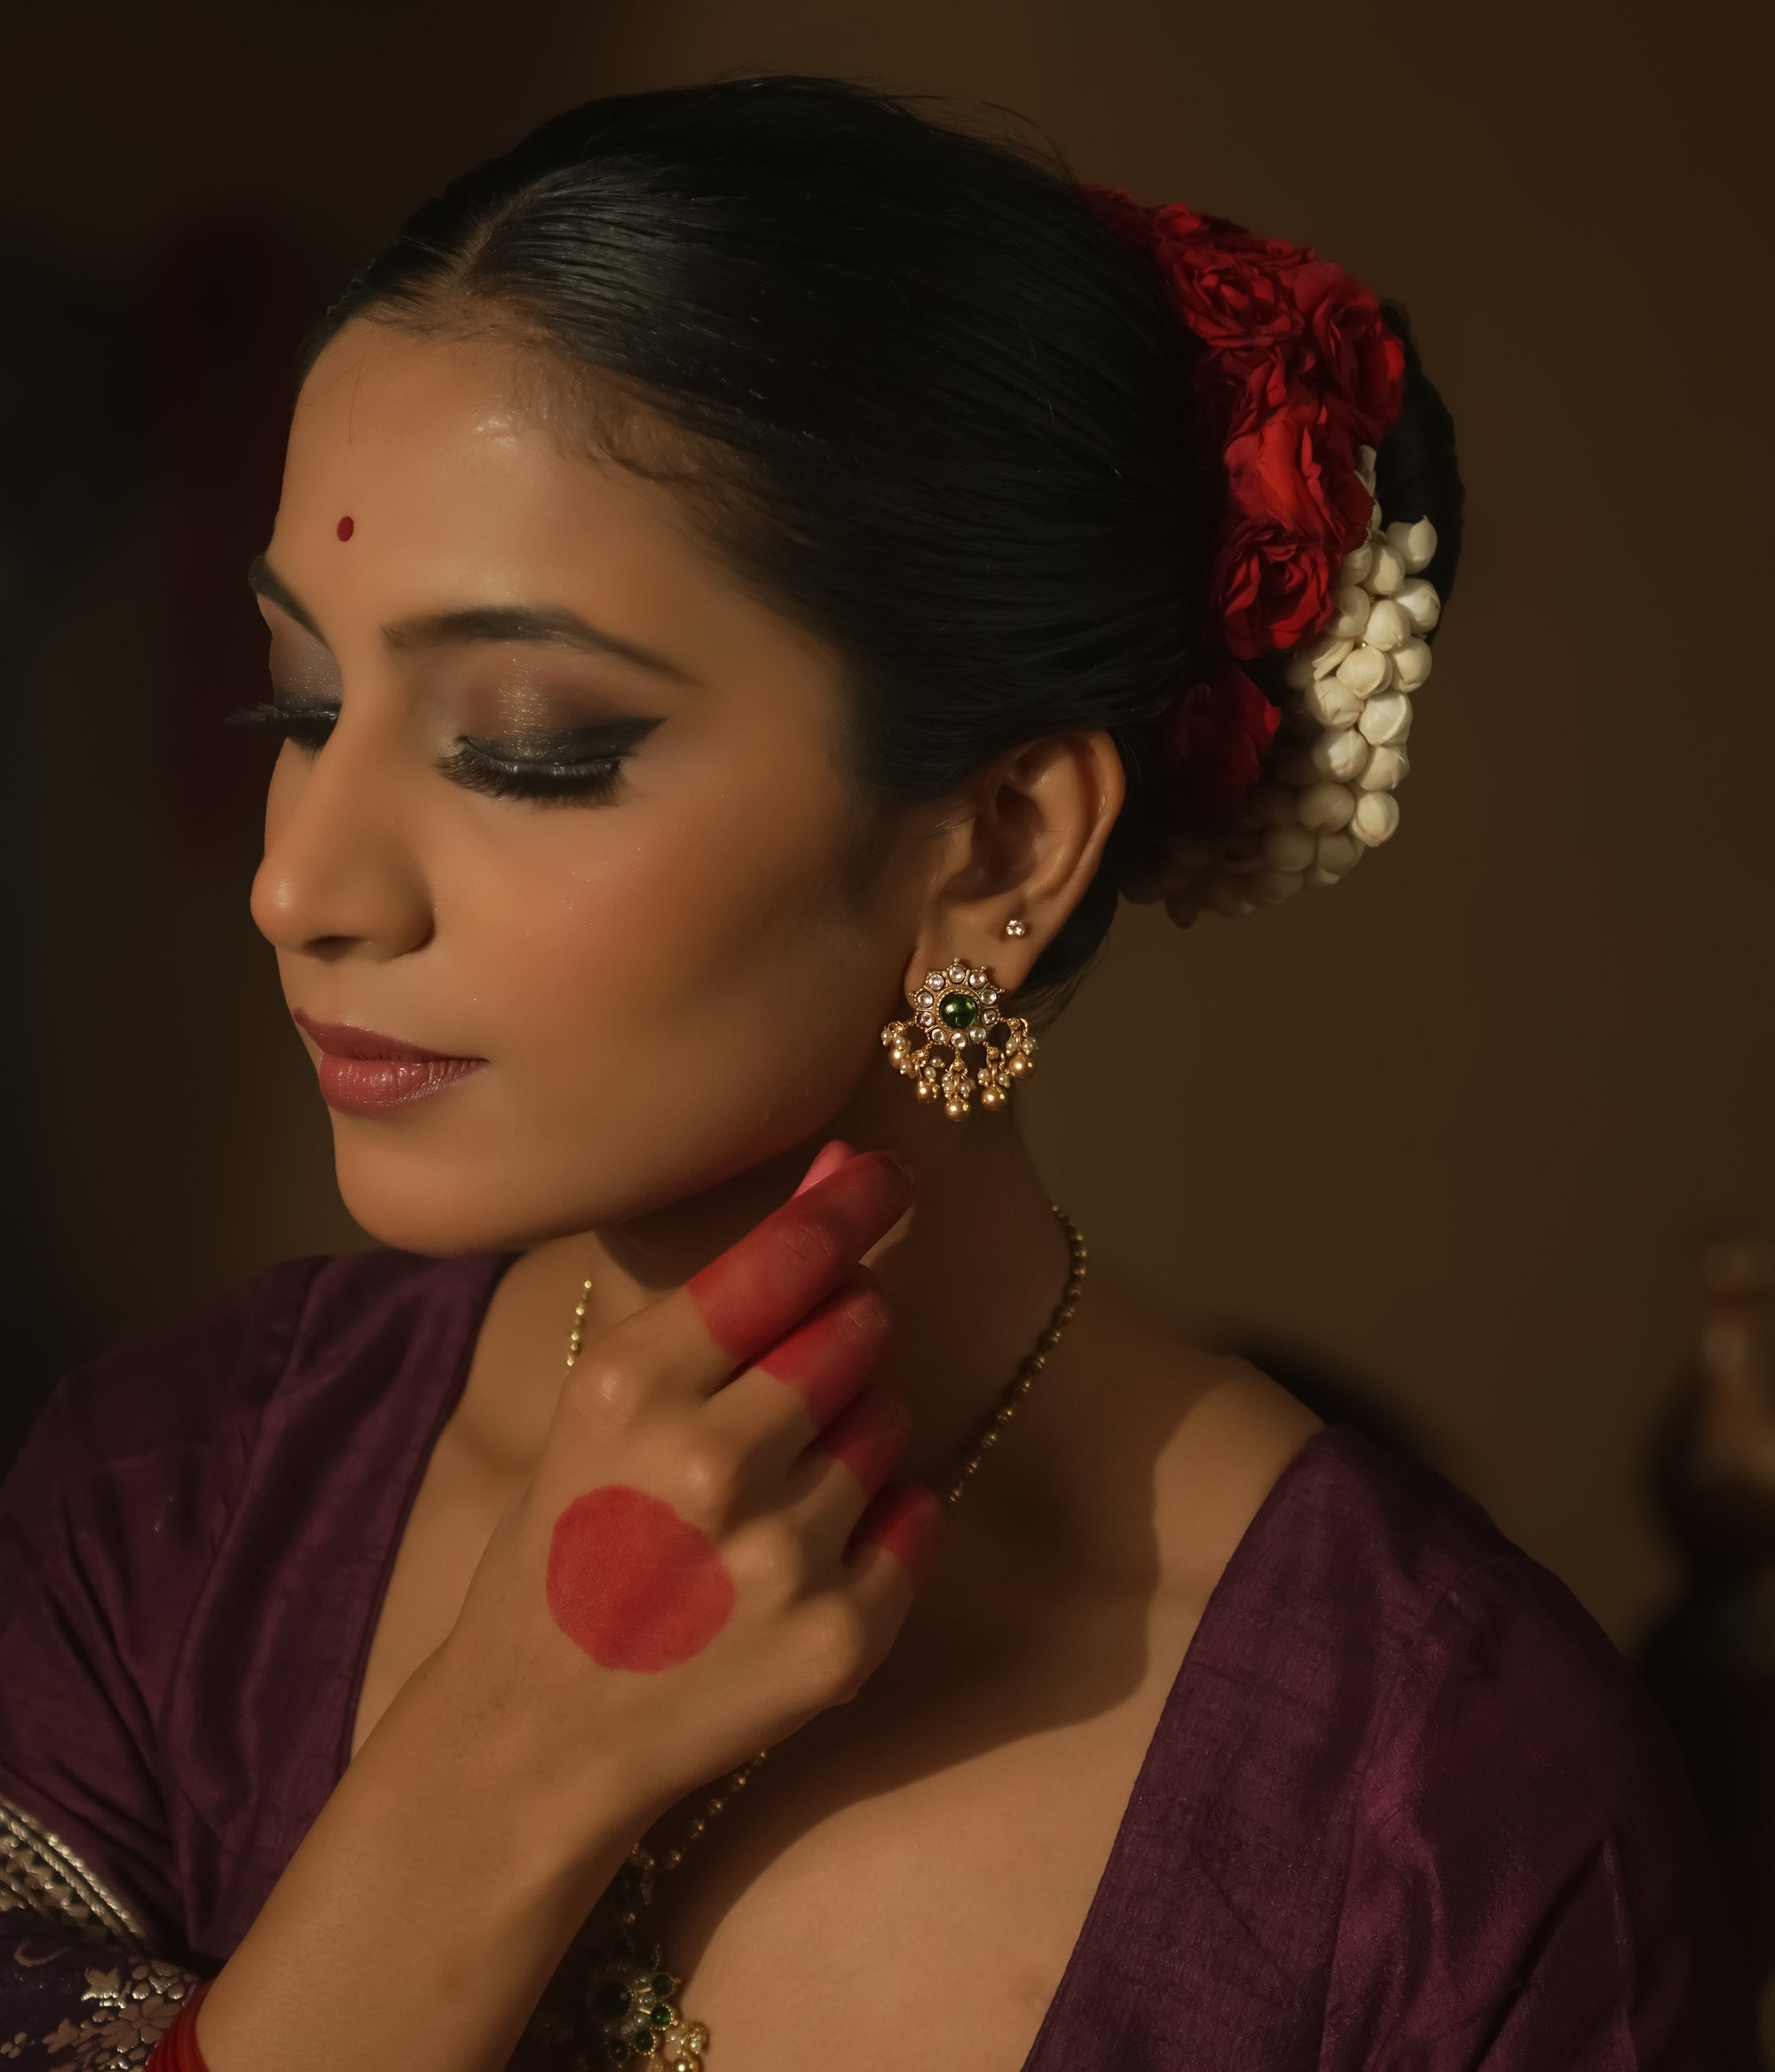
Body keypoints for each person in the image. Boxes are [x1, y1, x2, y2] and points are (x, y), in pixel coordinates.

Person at [0, 74, 1755, 2072]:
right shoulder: (168, 1516)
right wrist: (497, 1780)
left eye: (525, 746)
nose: (296, 878)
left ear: (1001, 849)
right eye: (298, 706)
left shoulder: (1436, 1815)